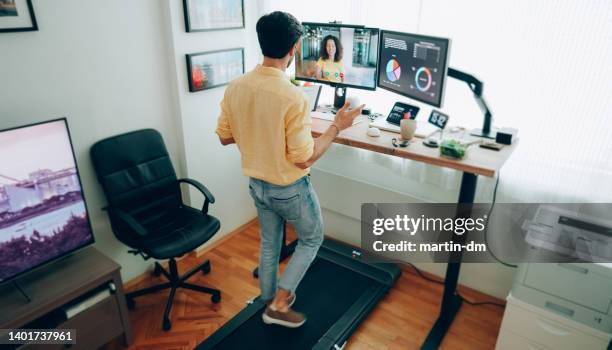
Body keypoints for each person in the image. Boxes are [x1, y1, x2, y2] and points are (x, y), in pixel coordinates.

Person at [215, 11, 364, 328]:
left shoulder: (236, 87)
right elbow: (303, 159)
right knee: (311, 239)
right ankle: (280, 304)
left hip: (257, 185)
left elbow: (225, 136)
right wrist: (337, 126)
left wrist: (256, 132)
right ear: (295, 47)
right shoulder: (293, 96)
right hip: (289, 189)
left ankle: (268, 300)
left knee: (270, 243)